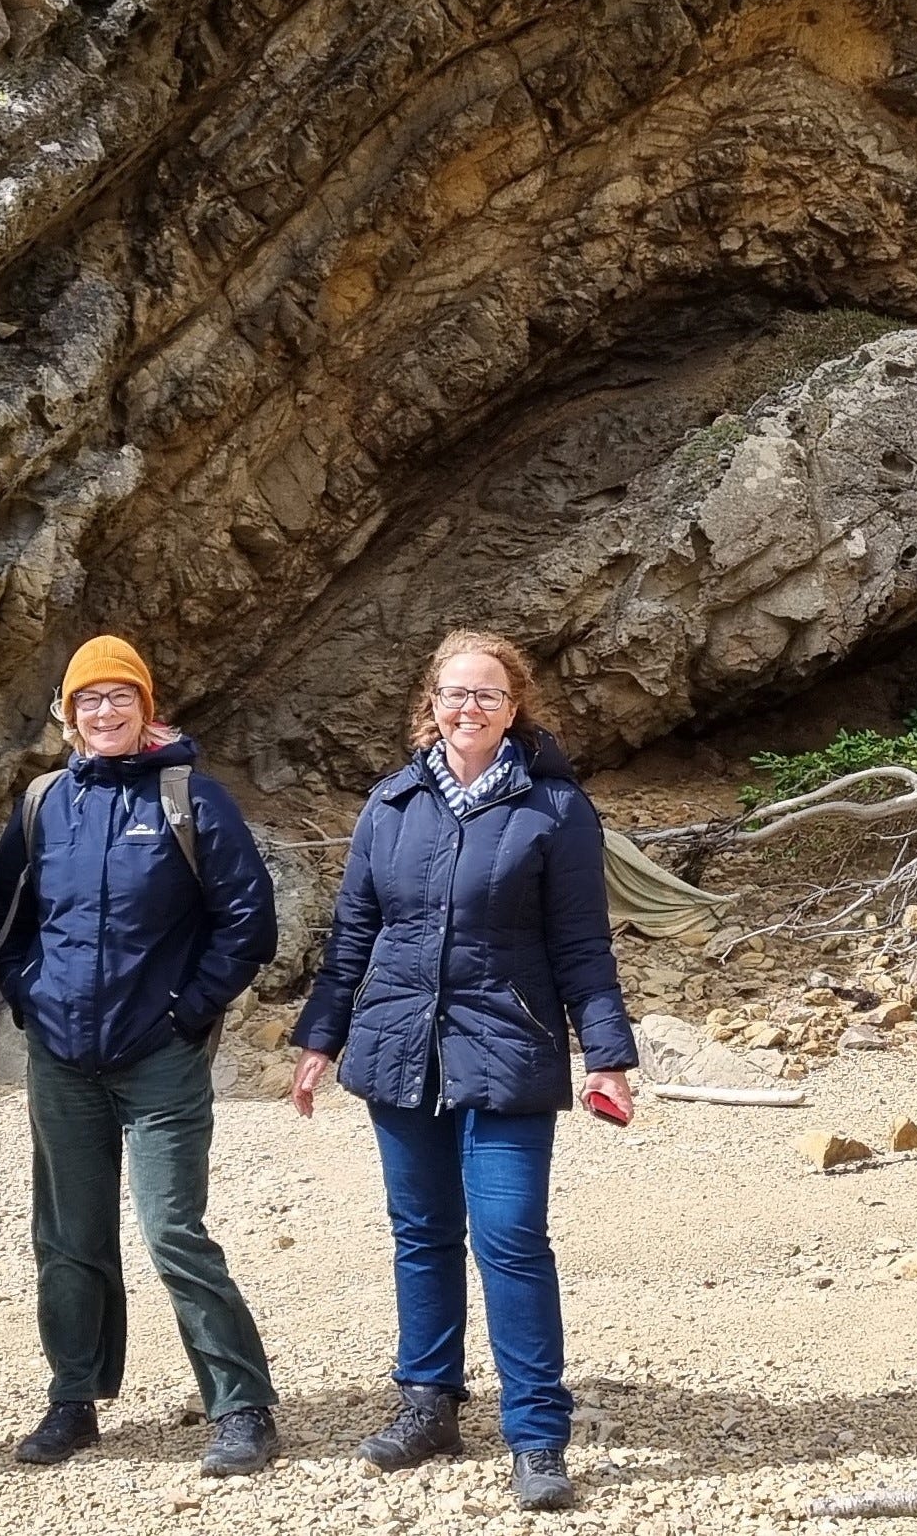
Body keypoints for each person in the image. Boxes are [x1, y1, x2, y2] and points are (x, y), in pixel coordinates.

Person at [289, 629, 638, 1512]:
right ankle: (429, 1404)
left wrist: (607, 1054)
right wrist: (320, 1039)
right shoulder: (391, 803)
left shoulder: (555, 809)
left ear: (514, 708)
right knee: (422, 1232)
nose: (469, 707)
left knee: (511, 1237)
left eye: (487, 694)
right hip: (400, 1044)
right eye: (455, 693)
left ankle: (536, 1433)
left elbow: (583, 945)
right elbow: (352, 937)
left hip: (509, 1044)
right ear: (432, 704)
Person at [0, 635, 284, 1475]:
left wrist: (186, 1010)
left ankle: (242, 1404)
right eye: (88, 699)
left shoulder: (191, 798)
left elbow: (248, 923)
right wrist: (31, 995)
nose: (103, 711)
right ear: (68, 715)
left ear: (146, 707)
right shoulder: (44, 803)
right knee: (67, 1234)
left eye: (120, 696)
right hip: (61, 1058)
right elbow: (0, 917)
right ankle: (73, 1398)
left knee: (172, 1227)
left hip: (159, 1060)